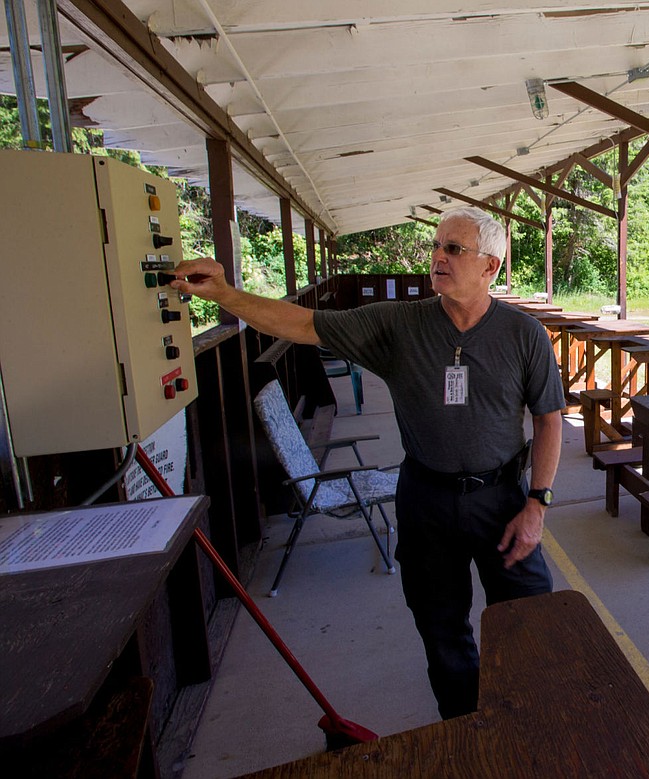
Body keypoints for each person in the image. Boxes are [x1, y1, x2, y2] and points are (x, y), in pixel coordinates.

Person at [170, 206, 565, 719]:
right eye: (437, 245)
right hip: (426, 499)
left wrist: (537, 503)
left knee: (530, 612)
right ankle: (467, 729)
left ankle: (526, 720)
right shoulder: (398, 325)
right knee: (440, 626)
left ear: (489, 267)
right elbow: (303, 323)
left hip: (501, 497)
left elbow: (549, 420)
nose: (438, 257)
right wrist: (225, 294)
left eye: (454, 249)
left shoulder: (522, 333)